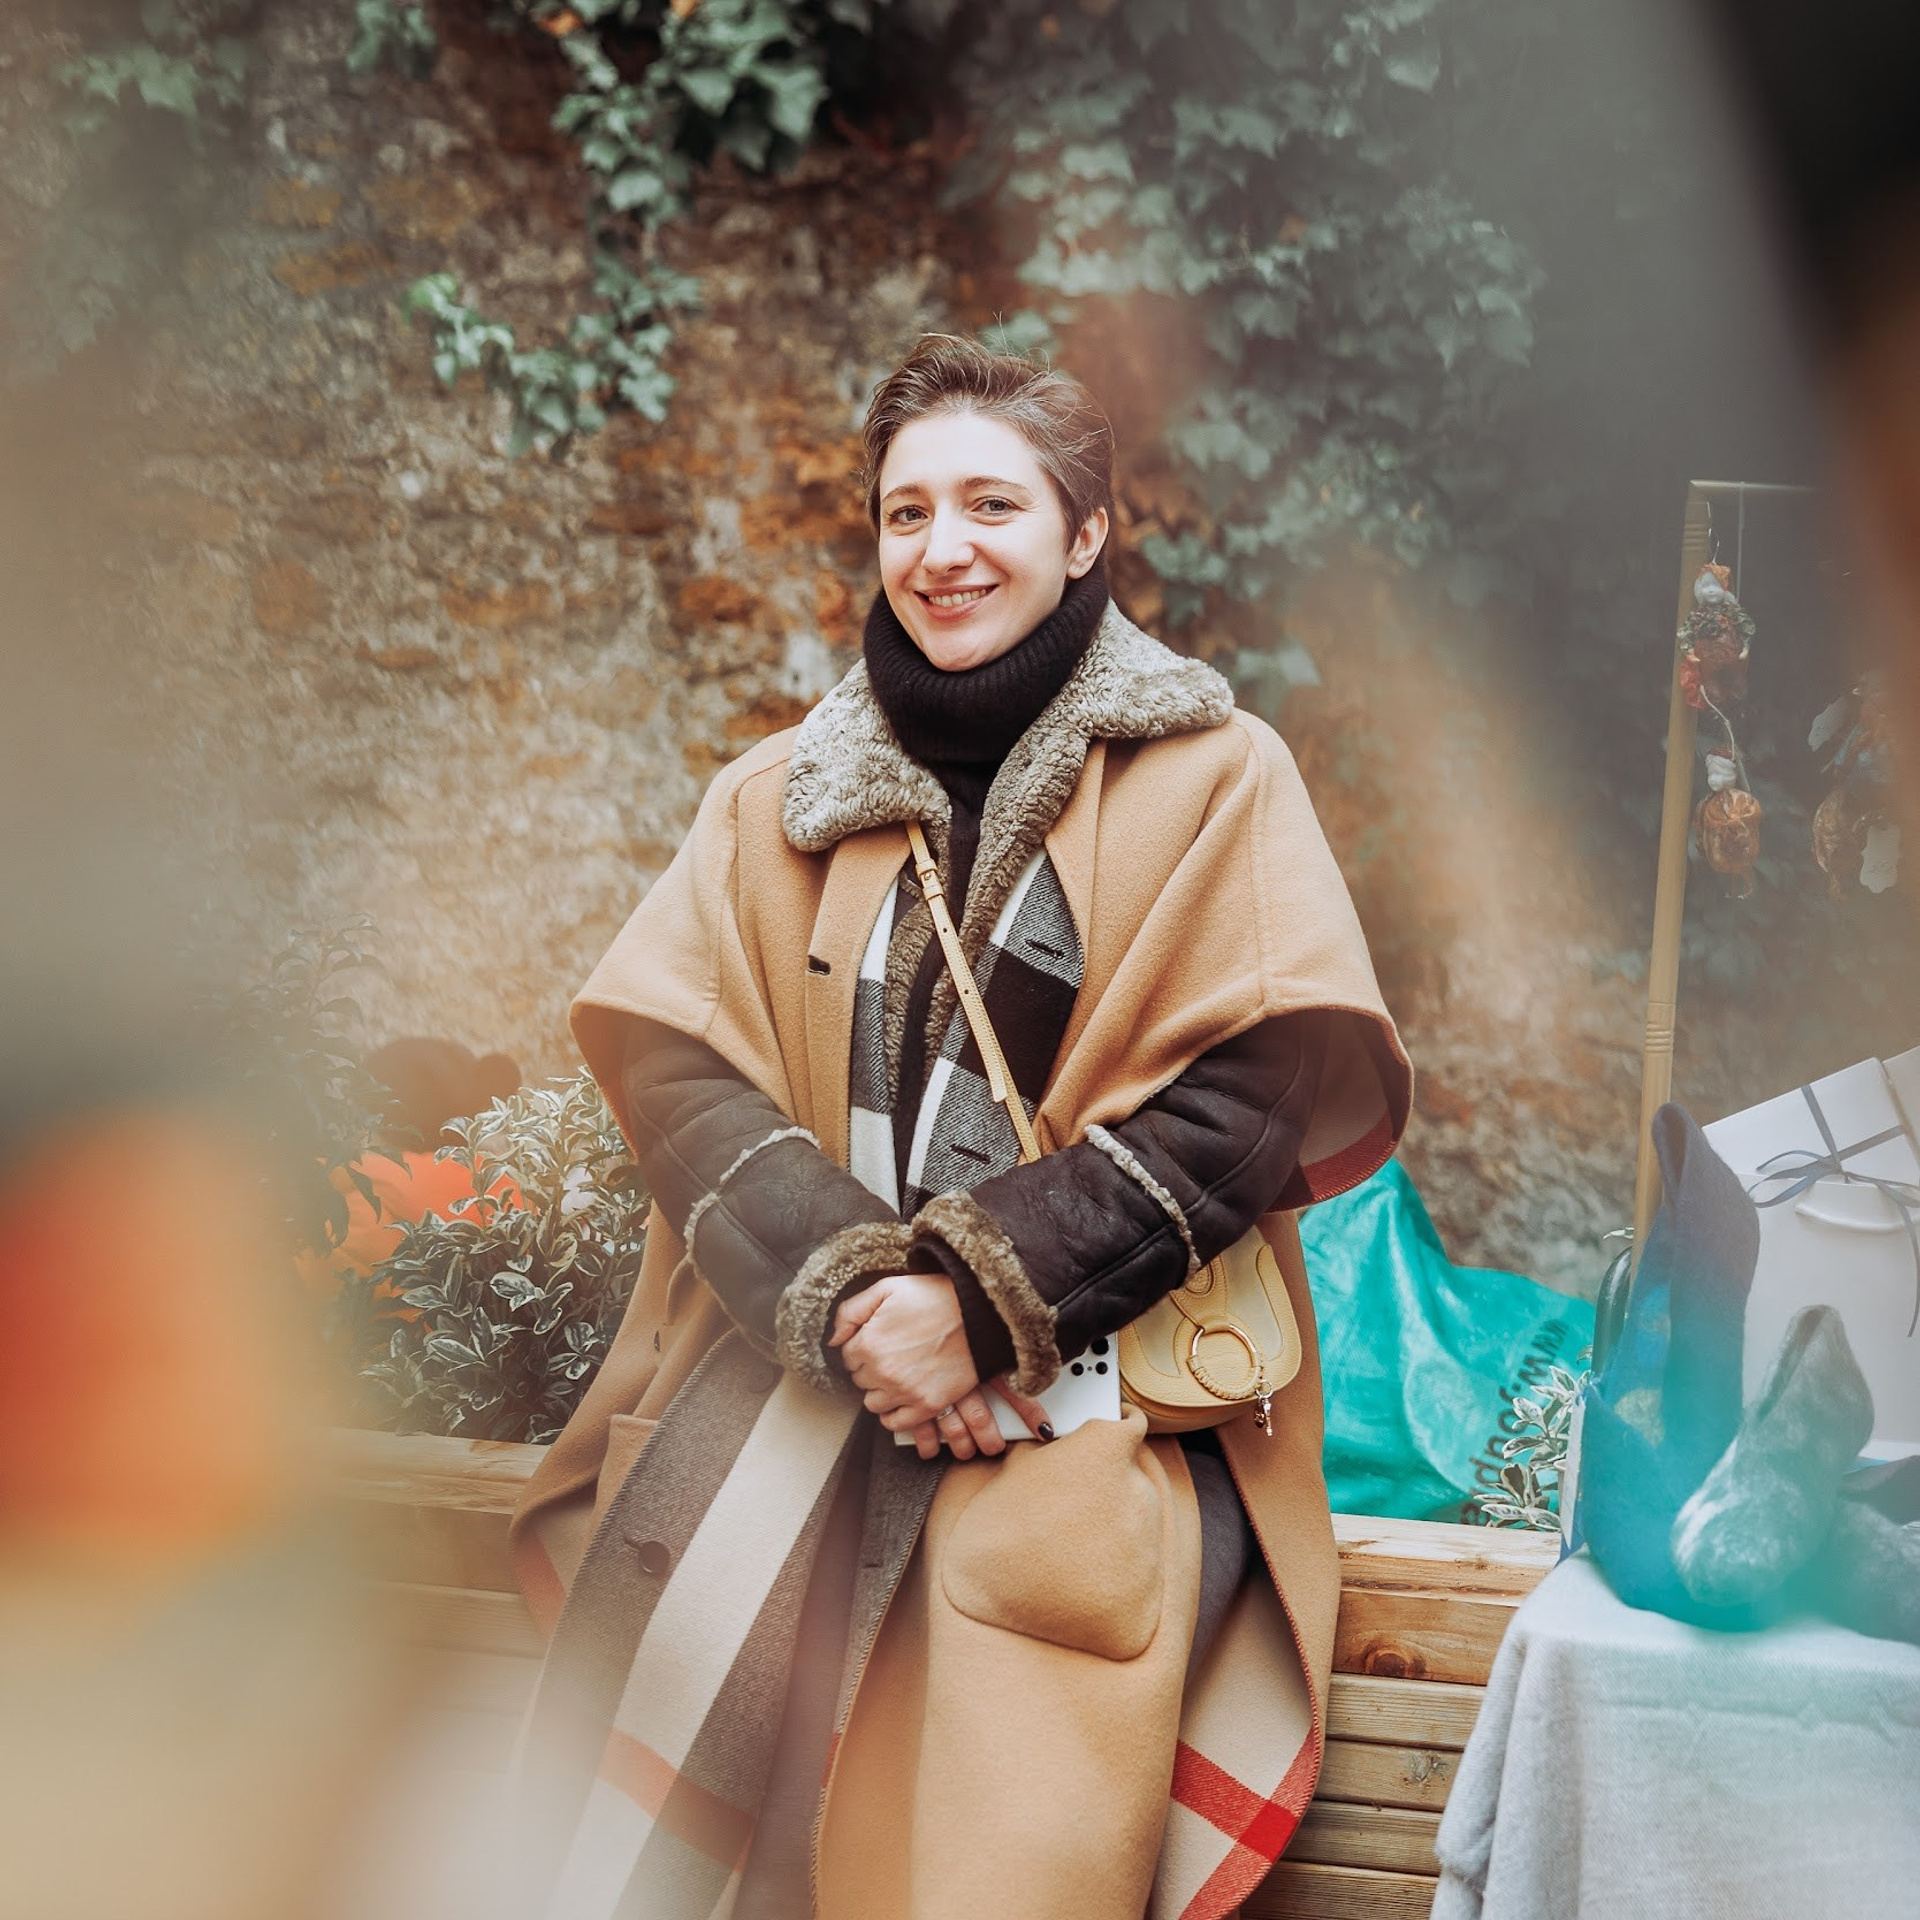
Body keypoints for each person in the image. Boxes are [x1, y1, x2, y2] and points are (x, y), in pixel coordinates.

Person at [508, 335, 1410, 1920]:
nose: (944, 548)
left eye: (992, 503)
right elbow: (671, 1066)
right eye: (906, 511)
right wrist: (868, 1302)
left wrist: (985, 1301)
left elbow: (1256, 1097)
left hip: (1077, 1425)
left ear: (1082, 537)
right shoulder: (776, 793)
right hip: (800, 1415)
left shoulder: (1215, 779)